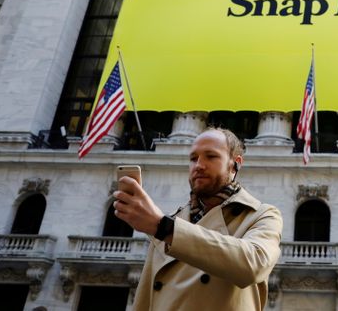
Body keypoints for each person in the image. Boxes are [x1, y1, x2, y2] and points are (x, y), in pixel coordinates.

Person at [114, 128, 283, 311]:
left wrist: (164, 227)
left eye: (211, 156)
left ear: (235, 164)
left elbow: (252, 265)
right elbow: (145, 298)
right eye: (193, 158)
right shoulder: (170, 220)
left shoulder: (262, 215)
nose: (199, 165)